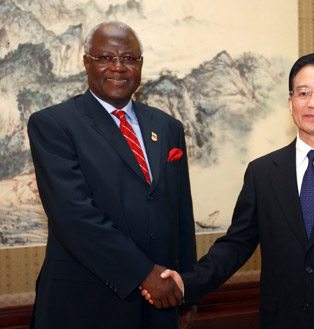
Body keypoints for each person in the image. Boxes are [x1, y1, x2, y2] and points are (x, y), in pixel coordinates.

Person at [143, 53, 314, 328]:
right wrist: (187, 283)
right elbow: (236, 245)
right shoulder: (263, 172)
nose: (313, 103)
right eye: (303, 92)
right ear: (291, 103)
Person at [27, 21, 197, 329]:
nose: (118, 67)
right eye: (106, 57)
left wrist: (187, 288)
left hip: (161, 302)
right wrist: (144, 274)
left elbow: (180, 213)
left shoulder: (168, 127)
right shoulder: (53, 124)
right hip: (86, 304)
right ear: (86, 62)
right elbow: (74, 216)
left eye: (128, 58)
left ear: (140, 65)